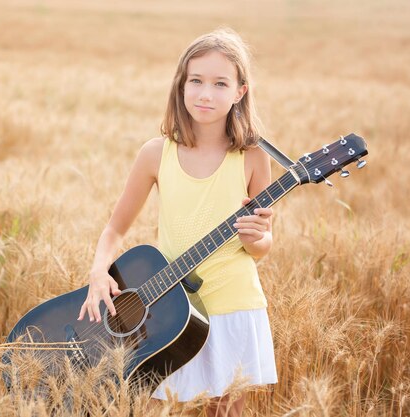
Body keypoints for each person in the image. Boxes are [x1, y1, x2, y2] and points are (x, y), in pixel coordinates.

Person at [77, 28, 277, 417]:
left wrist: (258, 238)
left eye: (220, 83)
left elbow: (261, 246)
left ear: (240, 91)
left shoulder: (252, 156)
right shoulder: (156, 154)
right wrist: (98, 271)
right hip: (169, 309)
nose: (205, 93)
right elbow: (114, 228)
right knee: (157, 406)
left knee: (225, 411)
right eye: (196, 81)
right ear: (181, 86)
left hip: (233, 304)